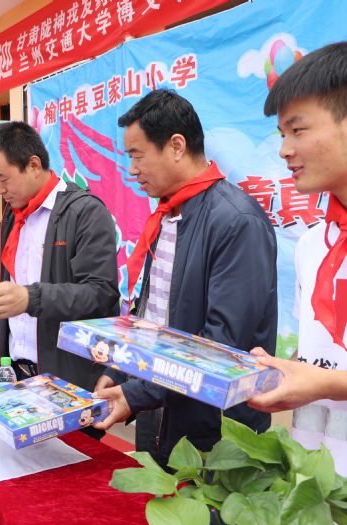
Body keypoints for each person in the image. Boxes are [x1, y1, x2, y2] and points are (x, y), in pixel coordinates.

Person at [92, 90, 278, 467]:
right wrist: (119, 372)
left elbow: (221, 345)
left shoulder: (236, 221)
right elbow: (151, 314)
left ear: (176, 146)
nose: (132, 169)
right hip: (159, 412)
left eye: (137, 155)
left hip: (216, 435)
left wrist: (137, 393)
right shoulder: (169, 214)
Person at [0, 122, 120, 415]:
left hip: (66, 383)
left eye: (3, 179)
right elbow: (5, 304)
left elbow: (100, 294)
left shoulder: (84, 212)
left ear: (34, 165)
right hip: (17, 379)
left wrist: (30, 298)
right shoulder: (12, 221)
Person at [247, 42, 347, 473]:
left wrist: (324, 383)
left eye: (298, 130)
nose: (285, 150)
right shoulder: (312, 245)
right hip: (317, 481)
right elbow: (320, 357)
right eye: (282, 134)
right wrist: (285, 373)